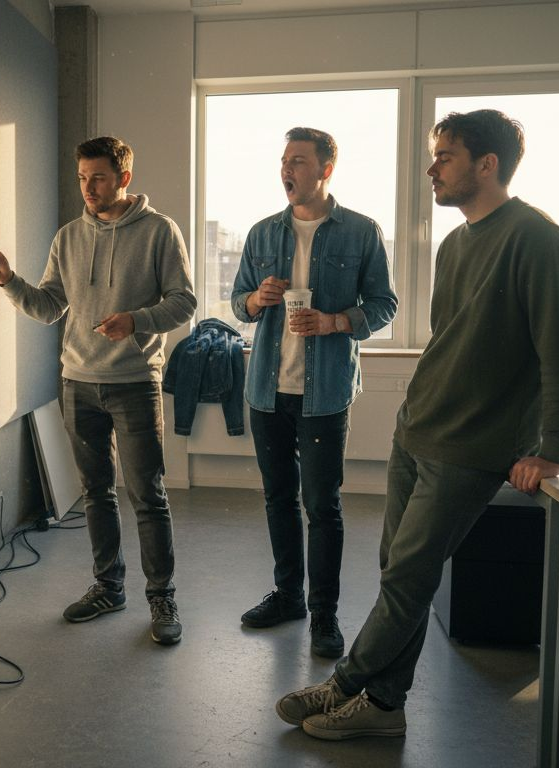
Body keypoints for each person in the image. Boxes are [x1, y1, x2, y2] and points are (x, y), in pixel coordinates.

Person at [276, 109, 559, 740]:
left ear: (487, 164)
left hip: (472, 445)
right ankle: (385, 708)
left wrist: (553, 447)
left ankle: (344, 684)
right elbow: (449, 339)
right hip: (419, 430)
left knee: (407, 578)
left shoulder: (539, 241)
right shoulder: (455, 242)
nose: (431, 168)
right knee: (402, 576)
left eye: (444, 156)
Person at [0, 136, 196, 645]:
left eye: (97, 177)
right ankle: (108, 587)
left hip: (135, 384)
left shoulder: (160, 231)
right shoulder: (68, 237)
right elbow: (50, 306)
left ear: (124, 178)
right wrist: (9, 280)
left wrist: (137, 320)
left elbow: (184, 302)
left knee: (148, 495)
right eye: (81, 178)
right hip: (78, 382)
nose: (88, 188)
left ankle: (161, 596)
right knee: (96, 494)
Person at [230, 127, 396, 660]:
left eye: (299, 160)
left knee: (322, 506)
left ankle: (324, 614)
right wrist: (256, 299)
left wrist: (334, 322)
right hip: (267, 391)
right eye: (283, 160)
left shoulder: (361, 232)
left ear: (325, 169)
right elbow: (237, 303)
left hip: (324, 394)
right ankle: (287, 597)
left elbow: (384, 305)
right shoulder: (261, 234)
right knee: (278, 497)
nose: (287, 169)